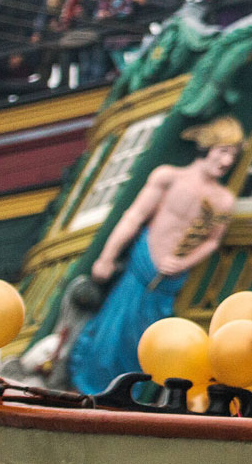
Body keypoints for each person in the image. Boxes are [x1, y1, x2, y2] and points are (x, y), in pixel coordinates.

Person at [70, 116, 242, 394]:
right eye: (223, 151)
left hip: (168, 282)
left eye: (232, 156)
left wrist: (183, 262)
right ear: (207, 147)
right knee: (111, 331)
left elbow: (212, 241)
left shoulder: (224, 200)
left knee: (146, 341)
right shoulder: (169, 177)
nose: (226, 161)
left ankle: (128, 393)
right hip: (140, 267)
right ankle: (88, 387)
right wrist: (107, 257)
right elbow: (134, 217)